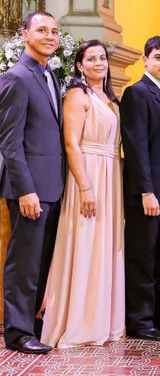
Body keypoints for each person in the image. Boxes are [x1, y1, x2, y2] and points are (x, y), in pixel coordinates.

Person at [41, 40, 125, 347]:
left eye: (102, 57)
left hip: (111, 174)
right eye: (91, 59)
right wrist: (85, 186)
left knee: (106, 245)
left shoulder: (110, 98)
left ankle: (103, 319)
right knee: (87, 242)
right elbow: (71, 144)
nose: (99, 63)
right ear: (80, 65)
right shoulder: (78, 95)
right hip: (88, 174)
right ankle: (80, 321)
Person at [0, 11, 65, 354]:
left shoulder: (49, 76)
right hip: (30, 190)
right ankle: (17, 332)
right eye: (42, 30)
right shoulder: (16, 77)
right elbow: (9, 141)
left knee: (40, 261)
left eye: (54, 31)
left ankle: (33, 324)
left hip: (51, 186)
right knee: (23, 262)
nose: (50, 36)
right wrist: (26, 190)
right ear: (25, 33)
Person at [121, 36, 160, 341]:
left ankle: (156, 313)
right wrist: (146, 191)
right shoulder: (136, 93)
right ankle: (138, 320)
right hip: (146, 194)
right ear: (146, 60)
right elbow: (136, 147)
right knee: (141, 257)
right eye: (159, 58)